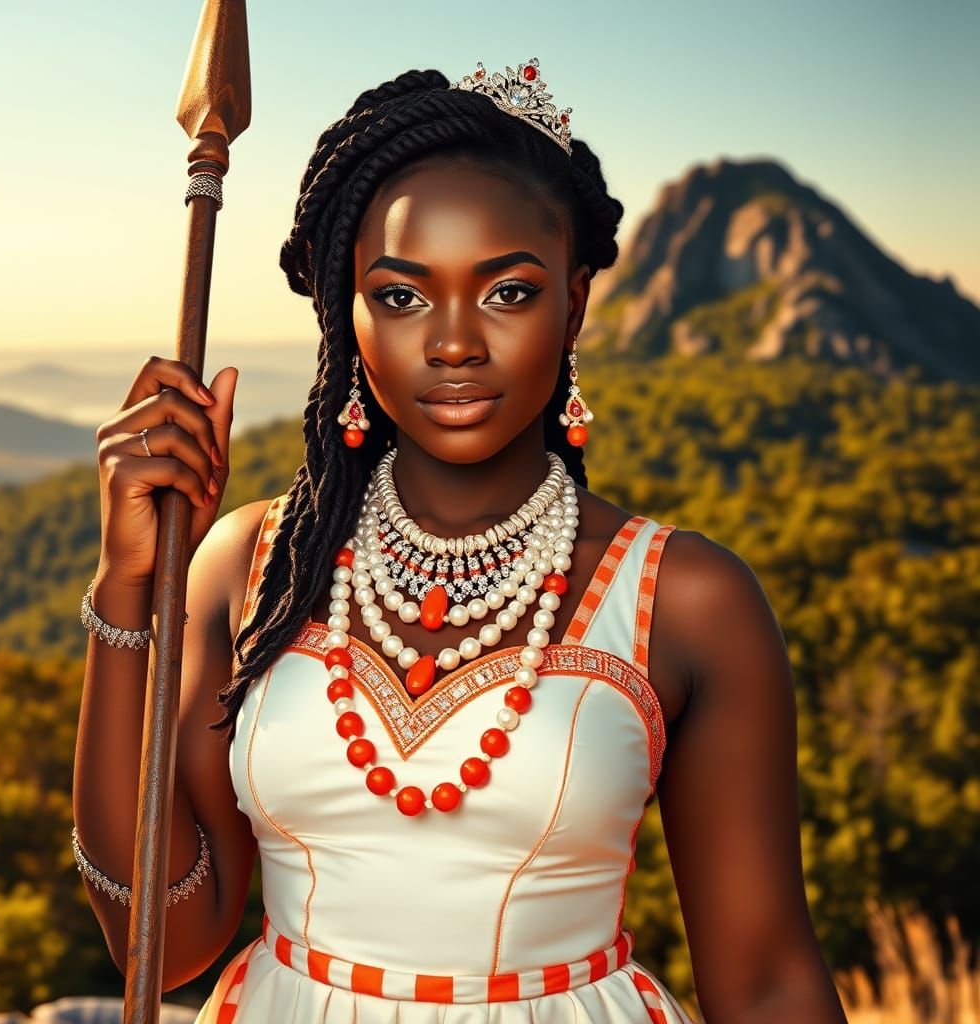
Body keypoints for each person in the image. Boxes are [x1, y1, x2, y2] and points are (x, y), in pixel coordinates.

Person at [73, 60, 848, 1023]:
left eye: (507, 292)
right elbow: (161, 940)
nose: (453, 343)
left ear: (575, 303)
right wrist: (127, 586)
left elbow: (766, 984)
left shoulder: (689, 601)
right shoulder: (253, 565)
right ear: (347, 314)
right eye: (401, 296)